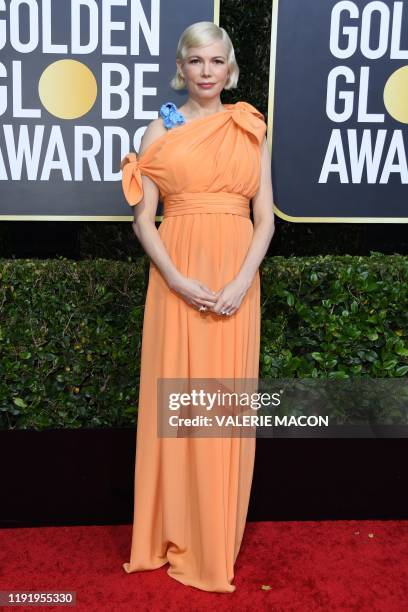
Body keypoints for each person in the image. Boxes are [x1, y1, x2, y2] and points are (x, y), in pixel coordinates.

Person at [120, 21, 275, 593]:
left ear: (230, 68)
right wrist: (178, 279)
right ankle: (168, 531)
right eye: (196, 62)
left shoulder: (250, 127)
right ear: (180, 67)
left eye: (216, 62)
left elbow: (264, 218)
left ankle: (214, 537)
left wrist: (240, 281)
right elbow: (144, 219)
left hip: (237, 278)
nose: (206, 73)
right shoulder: (157, 127)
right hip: (176, 277)